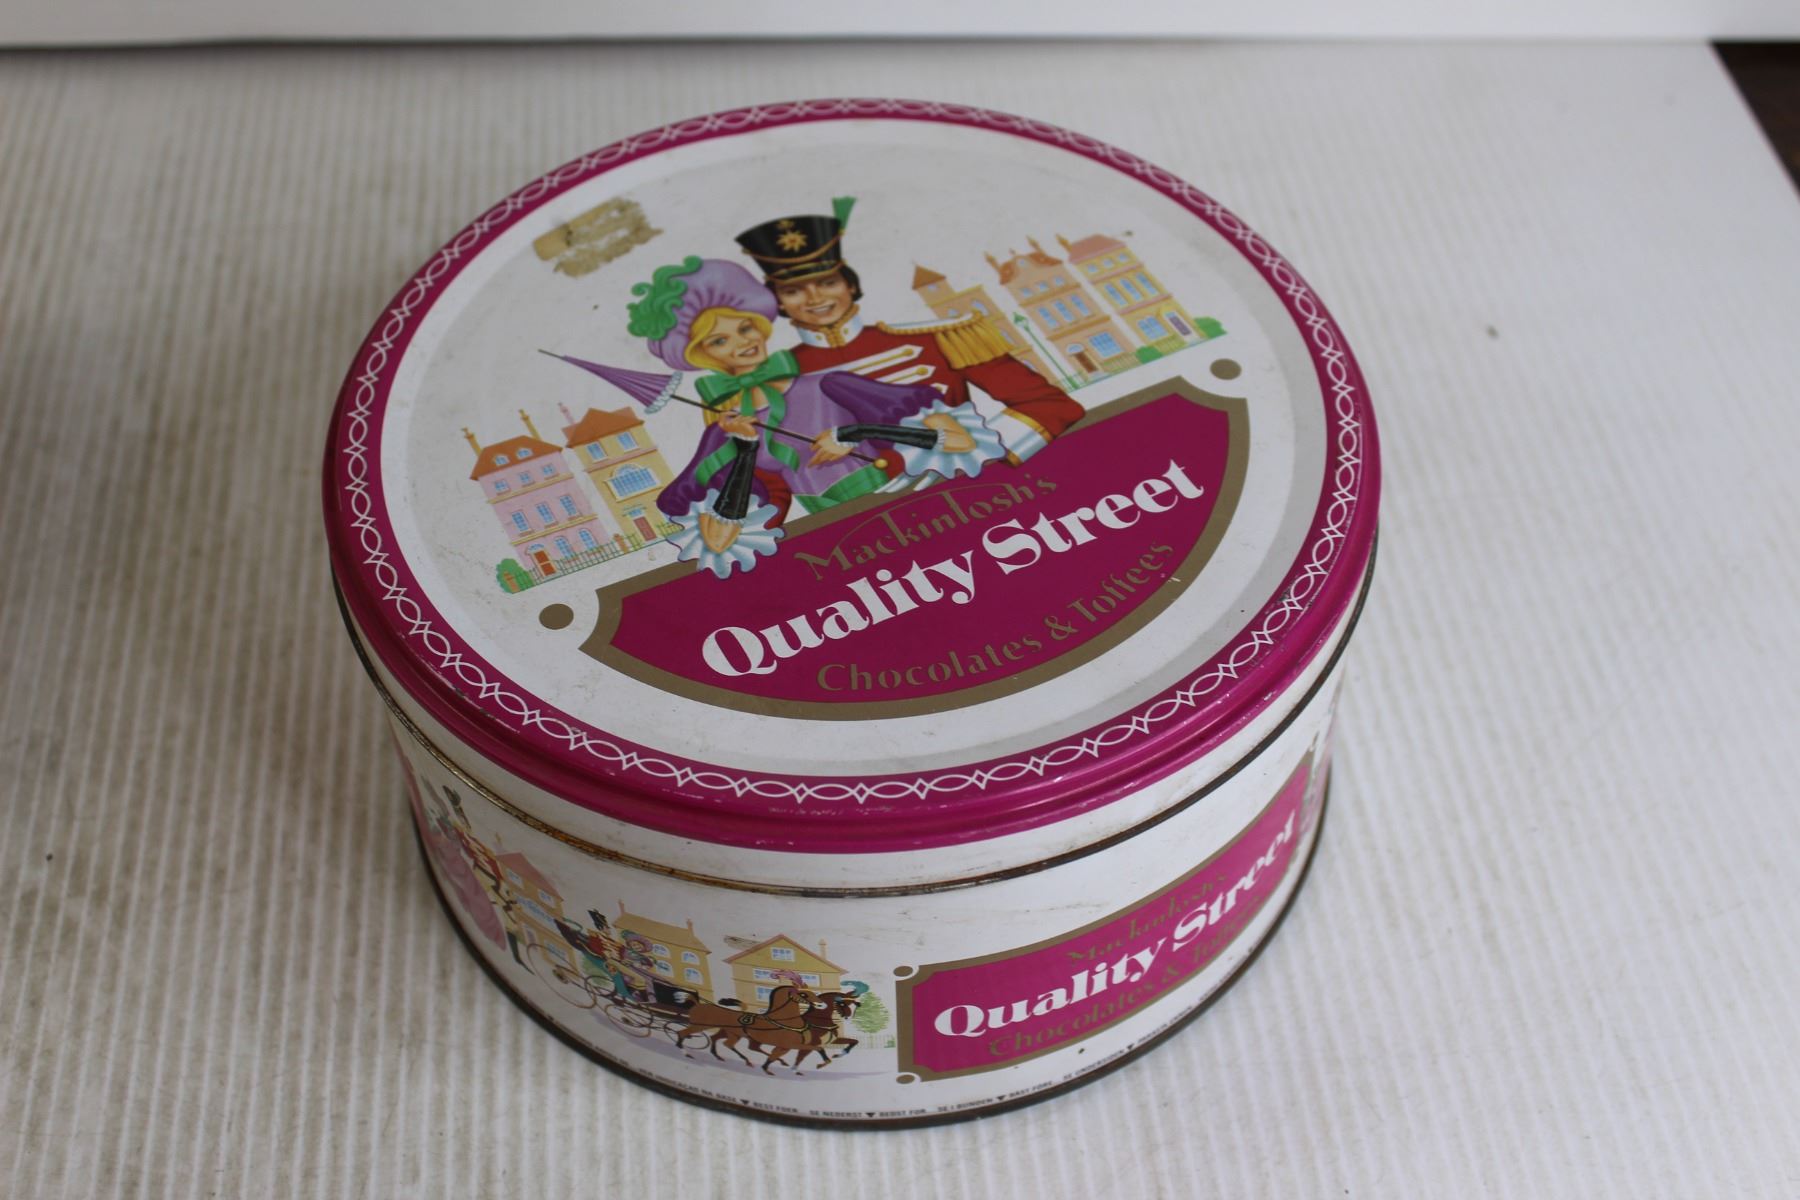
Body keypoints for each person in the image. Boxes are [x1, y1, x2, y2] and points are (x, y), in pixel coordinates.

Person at [551, 256, 1002, 576]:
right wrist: (746, 449)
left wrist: (852, 432)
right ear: (700, 357)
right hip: (849, 546)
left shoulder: (826, 383)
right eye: (719, 341)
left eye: (744, 327)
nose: (743, 343)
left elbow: (959, 440)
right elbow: (720, 540)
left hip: (922, 511)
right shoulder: (726, 431)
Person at [735, 197, 1085, 461]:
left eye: (828, 282)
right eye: (793, 291)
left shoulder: (937, 336)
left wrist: (981, 458)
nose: (815, 299)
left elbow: (1049, 405)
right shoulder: (775, 375)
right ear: (779, 302)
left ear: (850, 285)